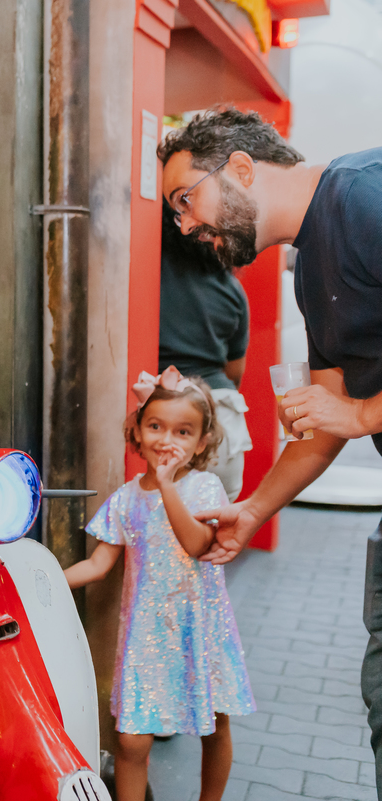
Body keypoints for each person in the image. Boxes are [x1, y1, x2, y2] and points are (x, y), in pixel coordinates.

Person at [158, 106, 382, 792]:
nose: (185, 225)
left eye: (185, 200)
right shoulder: (310, 263)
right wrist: (252, 509)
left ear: (243, 168)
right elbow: (323, 424)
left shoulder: (362, 195)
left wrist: (363, 410)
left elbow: (347, 411)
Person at [64, 368, 254, 801]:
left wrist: (167, 486)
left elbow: (195, 543)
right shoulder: (126, 498)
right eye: (156, 426)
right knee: (131, 741)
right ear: (137, 430)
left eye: (183, 431)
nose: (167, 439)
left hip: (200, 629)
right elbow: (98, 563)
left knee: (215, 725)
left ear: (202, 442)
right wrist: (45, 583)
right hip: (145, 637)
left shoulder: (205, 489)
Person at [158, 202, 253, 500]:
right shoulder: (232, 289)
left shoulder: (149, 271)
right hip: (222, 419)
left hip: (167, 423)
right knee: (215, 536)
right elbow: (235, 372)